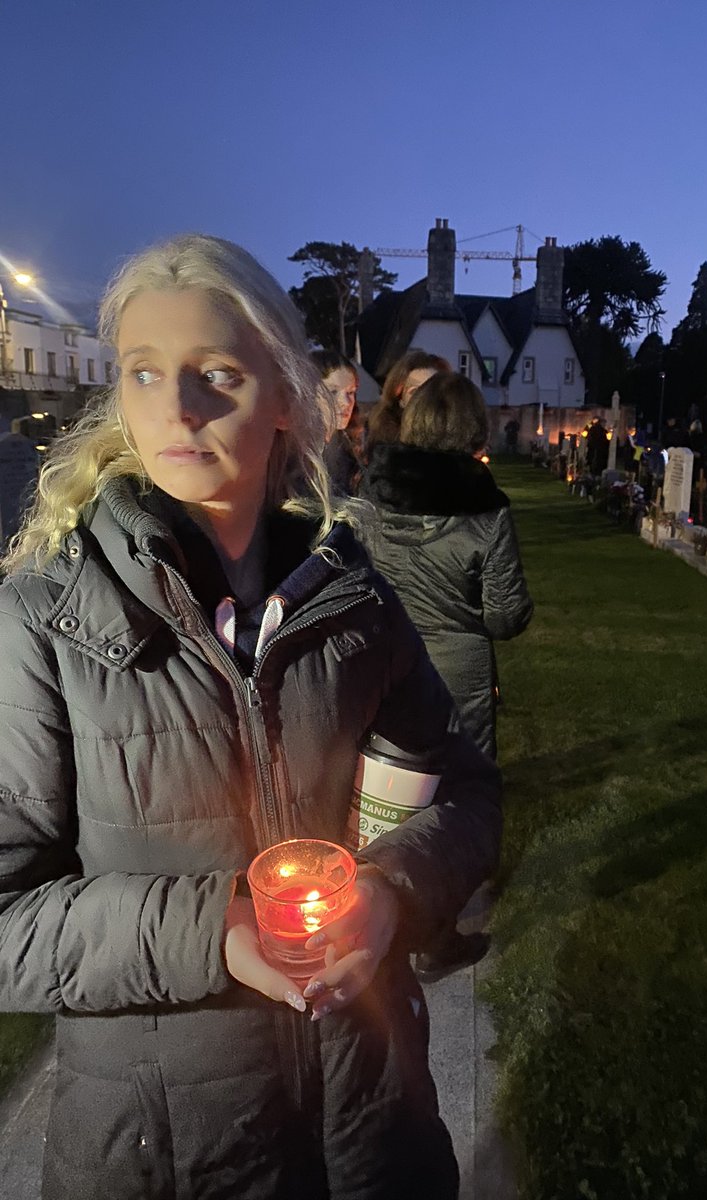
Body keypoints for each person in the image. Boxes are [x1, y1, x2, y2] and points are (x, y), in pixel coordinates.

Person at [0, 234, 501, 1200]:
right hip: (168, 1154)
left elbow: (467, 787)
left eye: (217, 375)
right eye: (143, 374)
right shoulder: (45, 619)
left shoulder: (352, 599)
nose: (176, 409)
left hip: (370, 1126)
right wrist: (207, 930)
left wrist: (395, 891)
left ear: (285, 399)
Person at [357, 372, 532, 978]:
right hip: (458, 670)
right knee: (459, 798)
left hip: (387, 662)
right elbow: (508, 614)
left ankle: (378, 913)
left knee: (393, 794)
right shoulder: (484, 509)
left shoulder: (372, 496)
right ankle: (435, 934)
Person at [365, 349, 450, 456]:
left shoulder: (457, 448)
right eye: (415, 391)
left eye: (431, 391)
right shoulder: (384, 451)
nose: (423, 398)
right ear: (400, 399)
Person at [310, 348, 363, 495]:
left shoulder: (350, 444)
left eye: (350, 392)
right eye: (333, 392)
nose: (346, 402)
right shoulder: (295, 450)